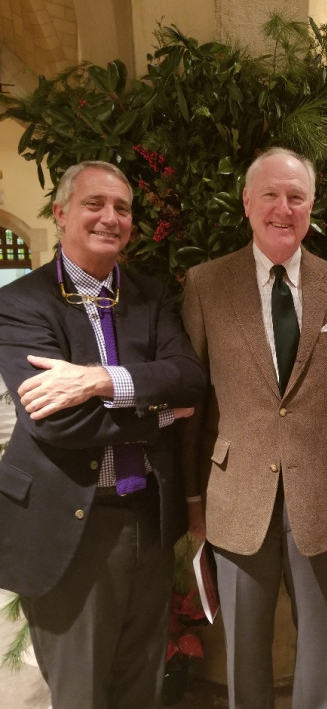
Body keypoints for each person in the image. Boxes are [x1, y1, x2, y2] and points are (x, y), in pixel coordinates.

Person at [181, 147, 327, 709]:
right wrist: (192, 499)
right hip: (235, 495)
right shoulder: (204, 285)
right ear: (247, 203)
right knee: (245, 653)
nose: (283, 207)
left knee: (319, 650)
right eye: (270, 194)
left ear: (311, 205)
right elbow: (192, 405)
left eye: (296, 196)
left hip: (323, 496)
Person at [0, 161, 206, 709]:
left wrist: (97, 381)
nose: (110, 218)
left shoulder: (152, 295)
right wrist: (158, 412)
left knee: (141, 683)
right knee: (82, 691)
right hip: (70, 523)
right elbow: (57, 423)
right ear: (62, 212)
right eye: (95, 204)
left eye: (122, 208)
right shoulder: (20, 303)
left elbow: (187, 377)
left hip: (145, 519)